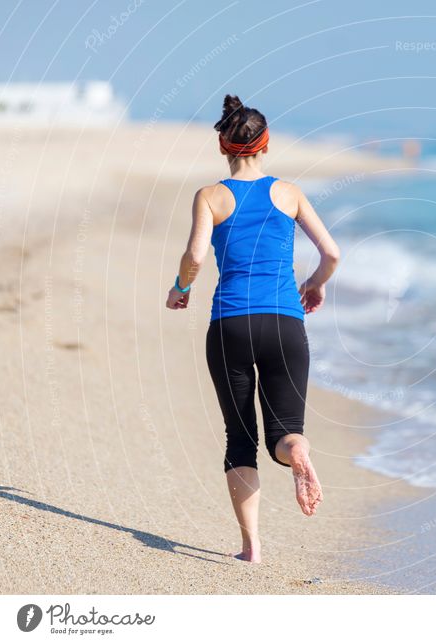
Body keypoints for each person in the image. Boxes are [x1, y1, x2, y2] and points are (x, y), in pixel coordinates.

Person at [165, 95, 340, 563]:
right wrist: (315, 285)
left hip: (230, 326)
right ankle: (296, 451)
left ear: (223, 146)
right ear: (265, 145)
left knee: (240, 438)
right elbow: (332, 254)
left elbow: (197, 256)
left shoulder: (210, 196)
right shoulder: (289, 192)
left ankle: (251, 547)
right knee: (285, 429)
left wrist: (181, 288)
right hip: (284, 321)